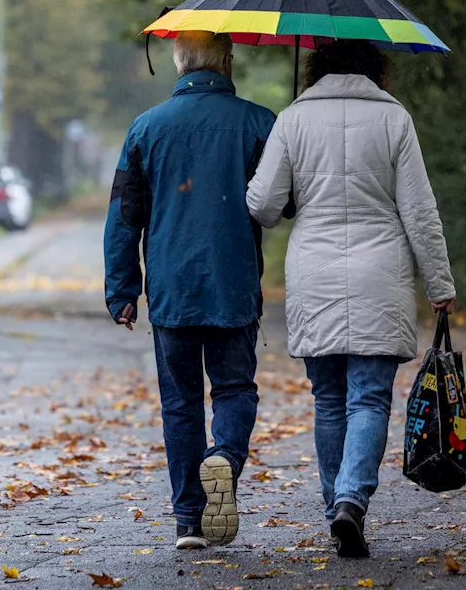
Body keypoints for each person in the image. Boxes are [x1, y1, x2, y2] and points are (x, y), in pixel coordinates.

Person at [246, 39, 456, 558]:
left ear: (317, 66)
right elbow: (419, 211)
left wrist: (293, 189)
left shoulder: (293, 119)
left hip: (314, 270)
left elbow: (264, 206)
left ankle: (333, 506)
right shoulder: (394, 120)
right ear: (375, 69)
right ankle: (350, 502)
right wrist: (440, 284)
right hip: (378, 271)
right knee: (369, 398)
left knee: (329, 399)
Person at [104, 31, 278, 549]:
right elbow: (282, 202)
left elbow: (124, 216)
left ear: (180, 63)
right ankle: (224, 455)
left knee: (179, 402)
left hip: (172, 287)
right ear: (226, 60)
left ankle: (188, 522)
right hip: (233, 282)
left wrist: (122, 290)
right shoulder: (258, 122)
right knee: (233, 388)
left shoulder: (145, 129)